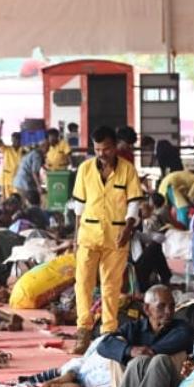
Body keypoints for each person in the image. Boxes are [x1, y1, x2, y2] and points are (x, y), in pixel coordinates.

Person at [70, 126, 142, 355]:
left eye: (107, 149)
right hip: (88, 235)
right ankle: (83, 329)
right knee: (83, 283)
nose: (102, 153)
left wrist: (129, 227)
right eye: (98, 149)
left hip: (117, 237)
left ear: (115, 147)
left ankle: (108, 331)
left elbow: (134, 203)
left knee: (111, 286)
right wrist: (75, 237)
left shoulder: (128, 170)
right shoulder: (84, 169)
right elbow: (78, 206)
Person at [12, 139, 45, 206]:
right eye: (47, 147)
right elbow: (34, 172)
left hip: (19, 181)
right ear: (42, 147)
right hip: (24, 182)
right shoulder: (37, 155)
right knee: (27, 203)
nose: (48, 149)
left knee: (24, 202)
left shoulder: (32, 153)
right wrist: (39, 187)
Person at [0, 129, 24, 200]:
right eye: (14, 140)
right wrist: (1, 126)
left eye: (17, 140)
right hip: (7, 179)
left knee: (18, 198)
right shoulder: (6, 149)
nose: (15, 142)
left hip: (19, 179)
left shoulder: (23, 150)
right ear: (11, 140)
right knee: (6, 199)